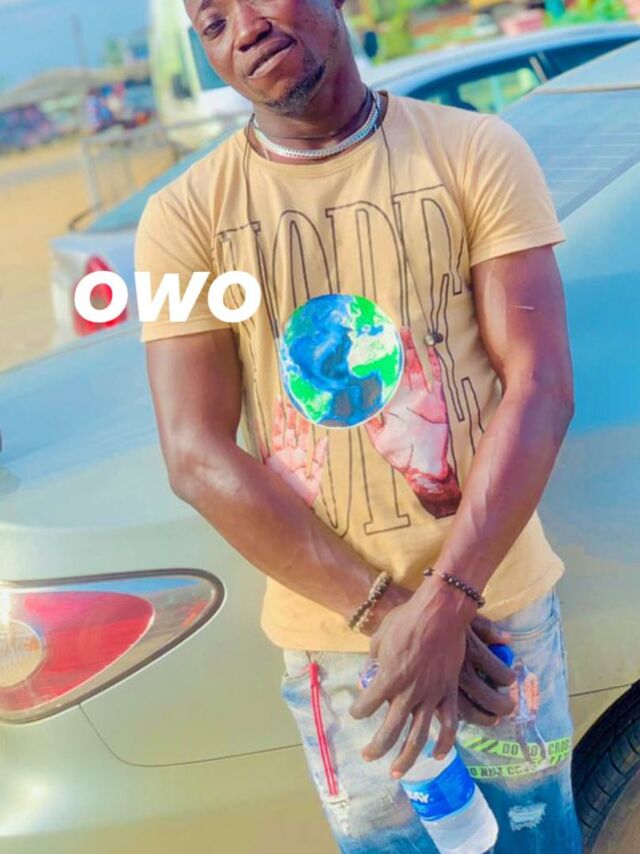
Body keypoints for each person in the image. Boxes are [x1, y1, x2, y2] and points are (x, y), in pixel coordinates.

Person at [136, 1, 583, 851]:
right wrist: (392, 619)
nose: (244, 29)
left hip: (499, 620)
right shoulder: (181, 220)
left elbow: (541, 385)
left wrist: (448, 604)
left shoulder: (474, 151)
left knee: (534, 841)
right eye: (212, 22)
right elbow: (194, 455)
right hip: (342, 649)